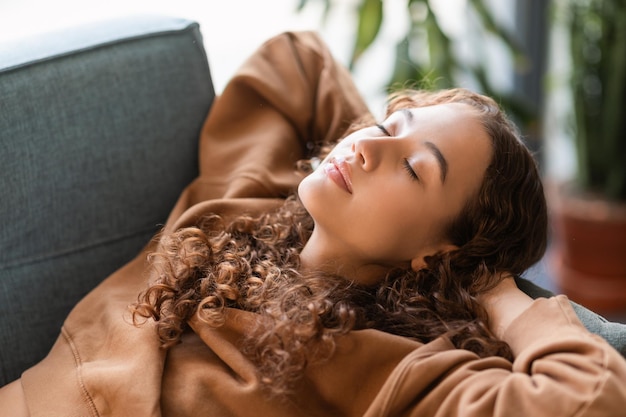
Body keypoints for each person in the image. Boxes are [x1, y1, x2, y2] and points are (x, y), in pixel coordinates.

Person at [1, 31, 625, 417]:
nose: (368, 148)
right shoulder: (251, 201)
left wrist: (499, 297)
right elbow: (296, 58)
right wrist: (384, 146)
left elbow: (589, 401)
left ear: (437, 252)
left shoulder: (392, 365)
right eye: (385, 125)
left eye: (414, 171)